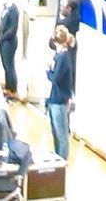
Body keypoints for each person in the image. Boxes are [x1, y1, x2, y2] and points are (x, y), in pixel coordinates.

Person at [45, 26, 76, 161]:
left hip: (60, 101)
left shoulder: (63, 57)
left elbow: (56, 78)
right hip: (54, 99)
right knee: (55, 133)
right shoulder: (60, 56)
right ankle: (58, 158)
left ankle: (62, 160)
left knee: (61, 134)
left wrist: (48, 71)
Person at [0, 0, 22, 97]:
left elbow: (13, 28)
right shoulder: (6, 6)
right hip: (3, 41)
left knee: (9, 66)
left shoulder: (14, 9)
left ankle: (12, 89)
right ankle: (8, 86)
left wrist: (3, 37)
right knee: (5, 65)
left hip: (9, 42)